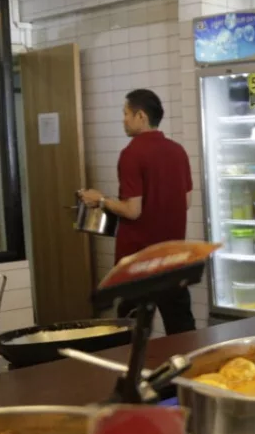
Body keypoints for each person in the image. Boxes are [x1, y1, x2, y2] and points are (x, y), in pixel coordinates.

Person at [79, 89, 195, 334]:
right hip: (172, 259)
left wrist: (100, 200)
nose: (123, 119)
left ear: (141, 116)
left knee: (131, 333)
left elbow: (133, 211)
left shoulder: (132, 153)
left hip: (139, 261)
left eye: (126, 113)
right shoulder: (177, 151)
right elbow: (186, 201)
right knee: (182, 328)